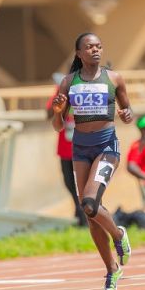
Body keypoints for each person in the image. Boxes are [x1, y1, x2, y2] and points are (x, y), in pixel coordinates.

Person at [51, 32, 133, 290]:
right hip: (80, 150)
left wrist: (126, 114)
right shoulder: (68, 82)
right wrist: (57, 112)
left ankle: (119, 235)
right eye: (89, 47)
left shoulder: (114, 78)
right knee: (89, 214)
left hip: (107, 147)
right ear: (78, 53)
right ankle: (111, 270)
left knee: (89, 202)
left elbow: (128, 112)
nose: (95, 50)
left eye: (98, 46)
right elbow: (57, 125)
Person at [46, 72, 86, 227]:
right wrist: (59, 98)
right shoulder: (61, 90)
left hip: (83, 148)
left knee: (82, 185)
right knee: (69, 182)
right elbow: (48, 114)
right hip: (65, 149)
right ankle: (79, 213)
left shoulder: (87, 90)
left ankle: (84, 218)